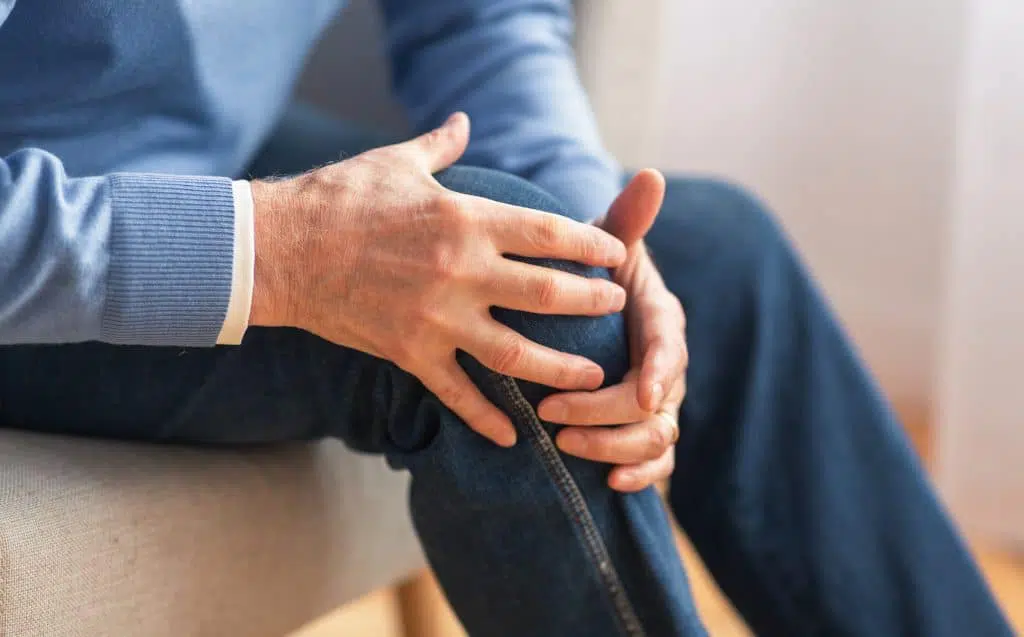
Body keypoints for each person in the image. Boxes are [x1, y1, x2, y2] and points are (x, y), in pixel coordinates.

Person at [0, 1, 1012, 635]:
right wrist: (280, 250)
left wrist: (600, 242)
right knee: (522, 324)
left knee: (711, 252)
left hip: (199, 146)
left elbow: (479, 18)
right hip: (33, 257)